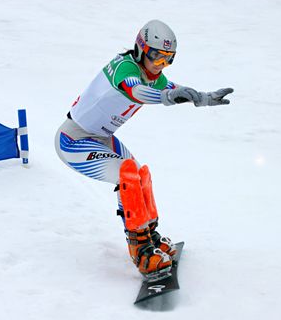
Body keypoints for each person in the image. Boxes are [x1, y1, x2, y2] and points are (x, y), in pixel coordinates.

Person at [55, 20, 233, 281]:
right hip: (74, 140)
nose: (160, 66)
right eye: (156, 57)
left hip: (101, 137)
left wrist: (204, 97)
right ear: (140, 49)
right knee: (127, 176)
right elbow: (136, 91)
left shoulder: (154, 76)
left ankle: (149, 235)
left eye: (167, 60)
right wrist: (167, 97)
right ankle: (140, 249)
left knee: (139, 175)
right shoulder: (124, 67)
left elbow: (174, 90)